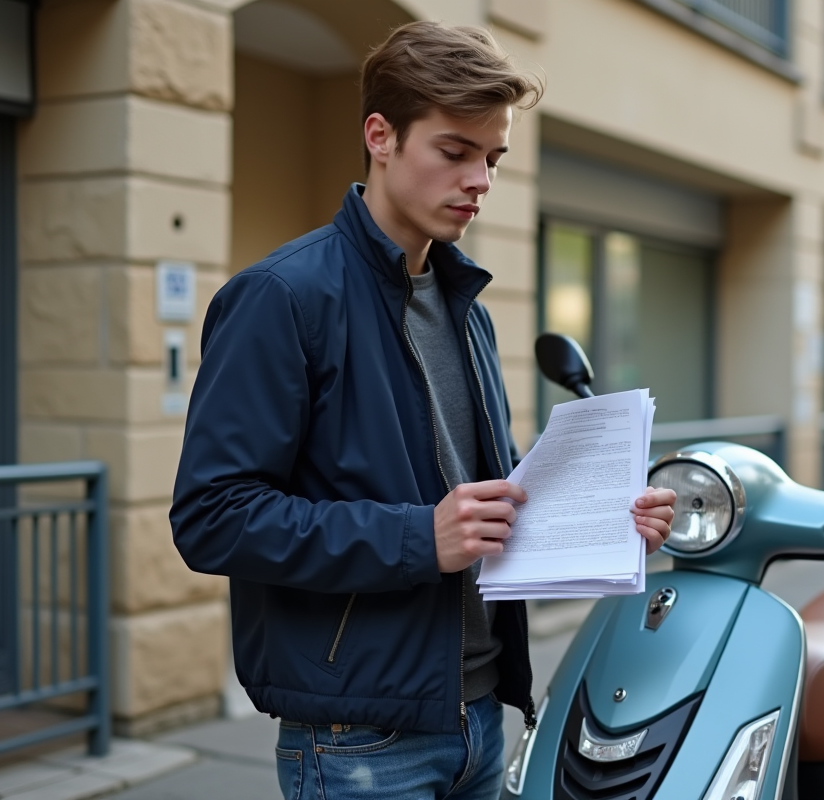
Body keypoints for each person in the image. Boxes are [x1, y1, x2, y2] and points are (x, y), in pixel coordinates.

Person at [169, 21, 676, 800]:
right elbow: (212, 517)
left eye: (493, 158)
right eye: (455, 151)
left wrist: (610, 518)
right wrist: (417, 537)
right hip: (355, 737)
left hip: (479, 713)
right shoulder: (282, 298)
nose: (480, 179)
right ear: (381, 136)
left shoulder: (466, 305)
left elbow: (488, 506)